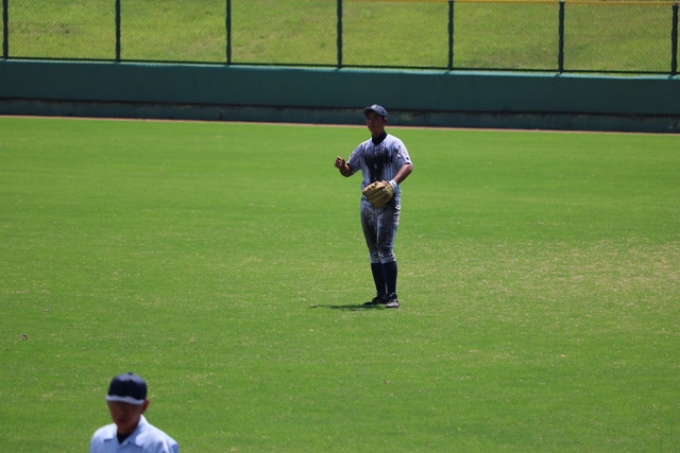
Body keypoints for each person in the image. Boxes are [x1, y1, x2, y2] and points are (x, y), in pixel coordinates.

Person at [334, 104, 413, 308]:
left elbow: (407, 166)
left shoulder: (394, 143)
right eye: (368, 118)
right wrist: (342, 167)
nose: (371, 122)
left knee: (385, 247)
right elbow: (349, 170)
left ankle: (392, 296)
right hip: (367, 202)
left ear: (384, 121)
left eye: (375, 118)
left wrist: (392, 184)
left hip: (388, 202)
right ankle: (380, 295)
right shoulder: (363, 147)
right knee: (374, 250)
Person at [90, 372, 179, 453]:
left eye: (127, 406)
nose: (120, 412)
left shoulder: (159, 445)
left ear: (144, 406)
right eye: (115, 404)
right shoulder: (100, 438)